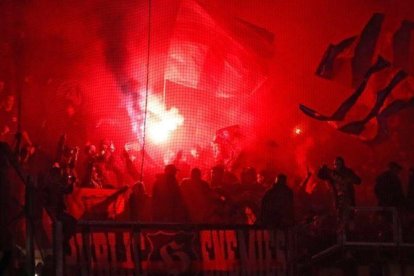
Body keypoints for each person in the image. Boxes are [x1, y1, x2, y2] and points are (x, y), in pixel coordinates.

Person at [317, 156, 361, 225]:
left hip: (348, 198)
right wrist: (322, 169)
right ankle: (342, 233)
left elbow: (358, 181)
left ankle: (351, 232)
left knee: (350, 218)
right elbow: (320, 175)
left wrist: (350, 179)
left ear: (342, 164)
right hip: (338, 199)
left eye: (338, 164)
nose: (336, 166)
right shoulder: (332, 173)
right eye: (335, 164)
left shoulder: (348, 172)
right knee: (340, 219)